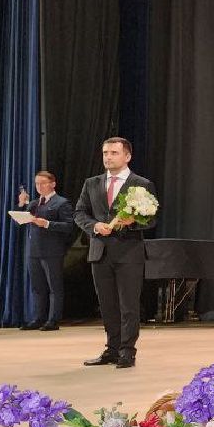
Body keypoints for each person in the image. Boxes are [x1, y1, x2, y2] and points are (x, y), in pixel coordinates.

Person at [74, 137, 157, 369]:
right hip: (99, 251)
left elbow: (151, 219)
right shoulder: (92, 183)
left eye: (113, 153)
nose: (108, 157)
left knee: (128, 304)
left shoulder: (141, 183)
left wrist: (131, 222)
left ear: (127, 156)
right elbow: (80, 212)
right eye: (105, 153)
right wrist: (93, 226)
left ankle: (128, 351)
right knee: (107, 304)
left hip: (129, 252)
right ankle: (112, 348)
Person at [16, 170, 74, 331]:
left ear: (52, 184)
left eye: (43, 183)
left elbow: (69, 226)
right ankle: (38, 318)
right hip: (33, 250)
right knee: (37, 287)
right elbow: (20, 221)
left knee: (54, 287)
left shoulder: (61, 203)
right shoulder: (34, 203)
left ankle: (53, 320)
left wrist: (48, 223)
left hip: (52, 251)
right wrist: (22, 205)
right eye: (37, 183)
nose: (39, 186)